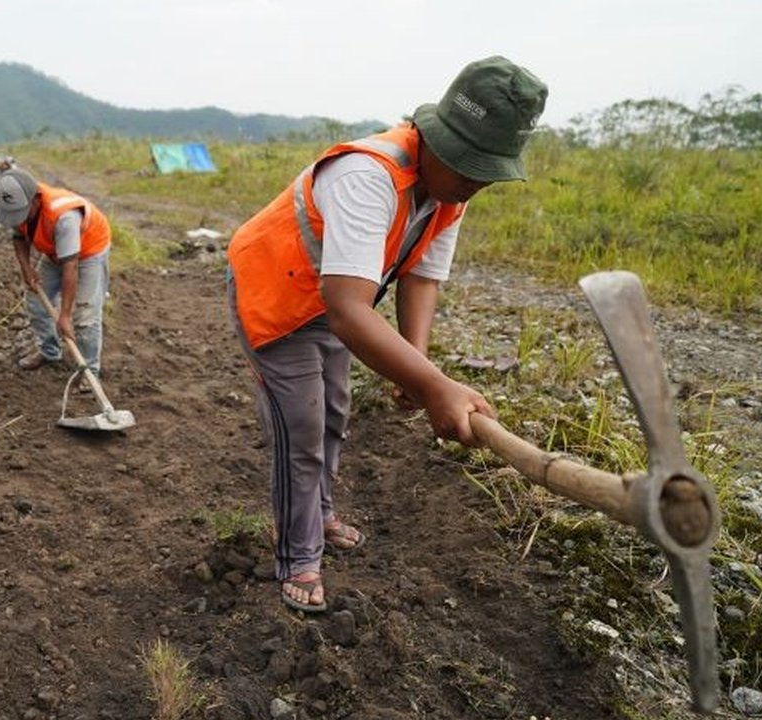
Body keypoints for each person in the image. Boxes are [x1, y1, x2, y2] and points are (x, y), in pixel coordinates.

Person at [226, 56, 548, 613]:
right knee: (300, 425)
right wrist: (434, 386)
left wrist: (415, 365)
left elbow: (421, 276)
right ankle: (298, 555)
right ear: (434, 139)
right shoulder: (367, 176)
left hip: (330, 299)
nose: (474, 185)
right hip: (275, 299)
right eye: (468, 167)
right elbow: (351, 310)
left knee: (334, 411)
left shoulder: (450, 194)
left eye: (486, 173)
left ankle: (320, 514)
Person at [0, 168, 111, 382]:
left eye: (20, 214)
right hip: (57, 251)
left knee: (85, 315)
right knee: (36, 302)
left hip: (88, 251)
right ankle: (50, 353)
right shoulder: (20, 207)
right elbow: (19, 238)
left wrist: (64, 315)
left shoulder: (63, 216)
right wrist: (26, 268)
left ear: (36, 200)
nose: (17, 219)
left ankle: (90, 371)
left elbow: (70, 267)